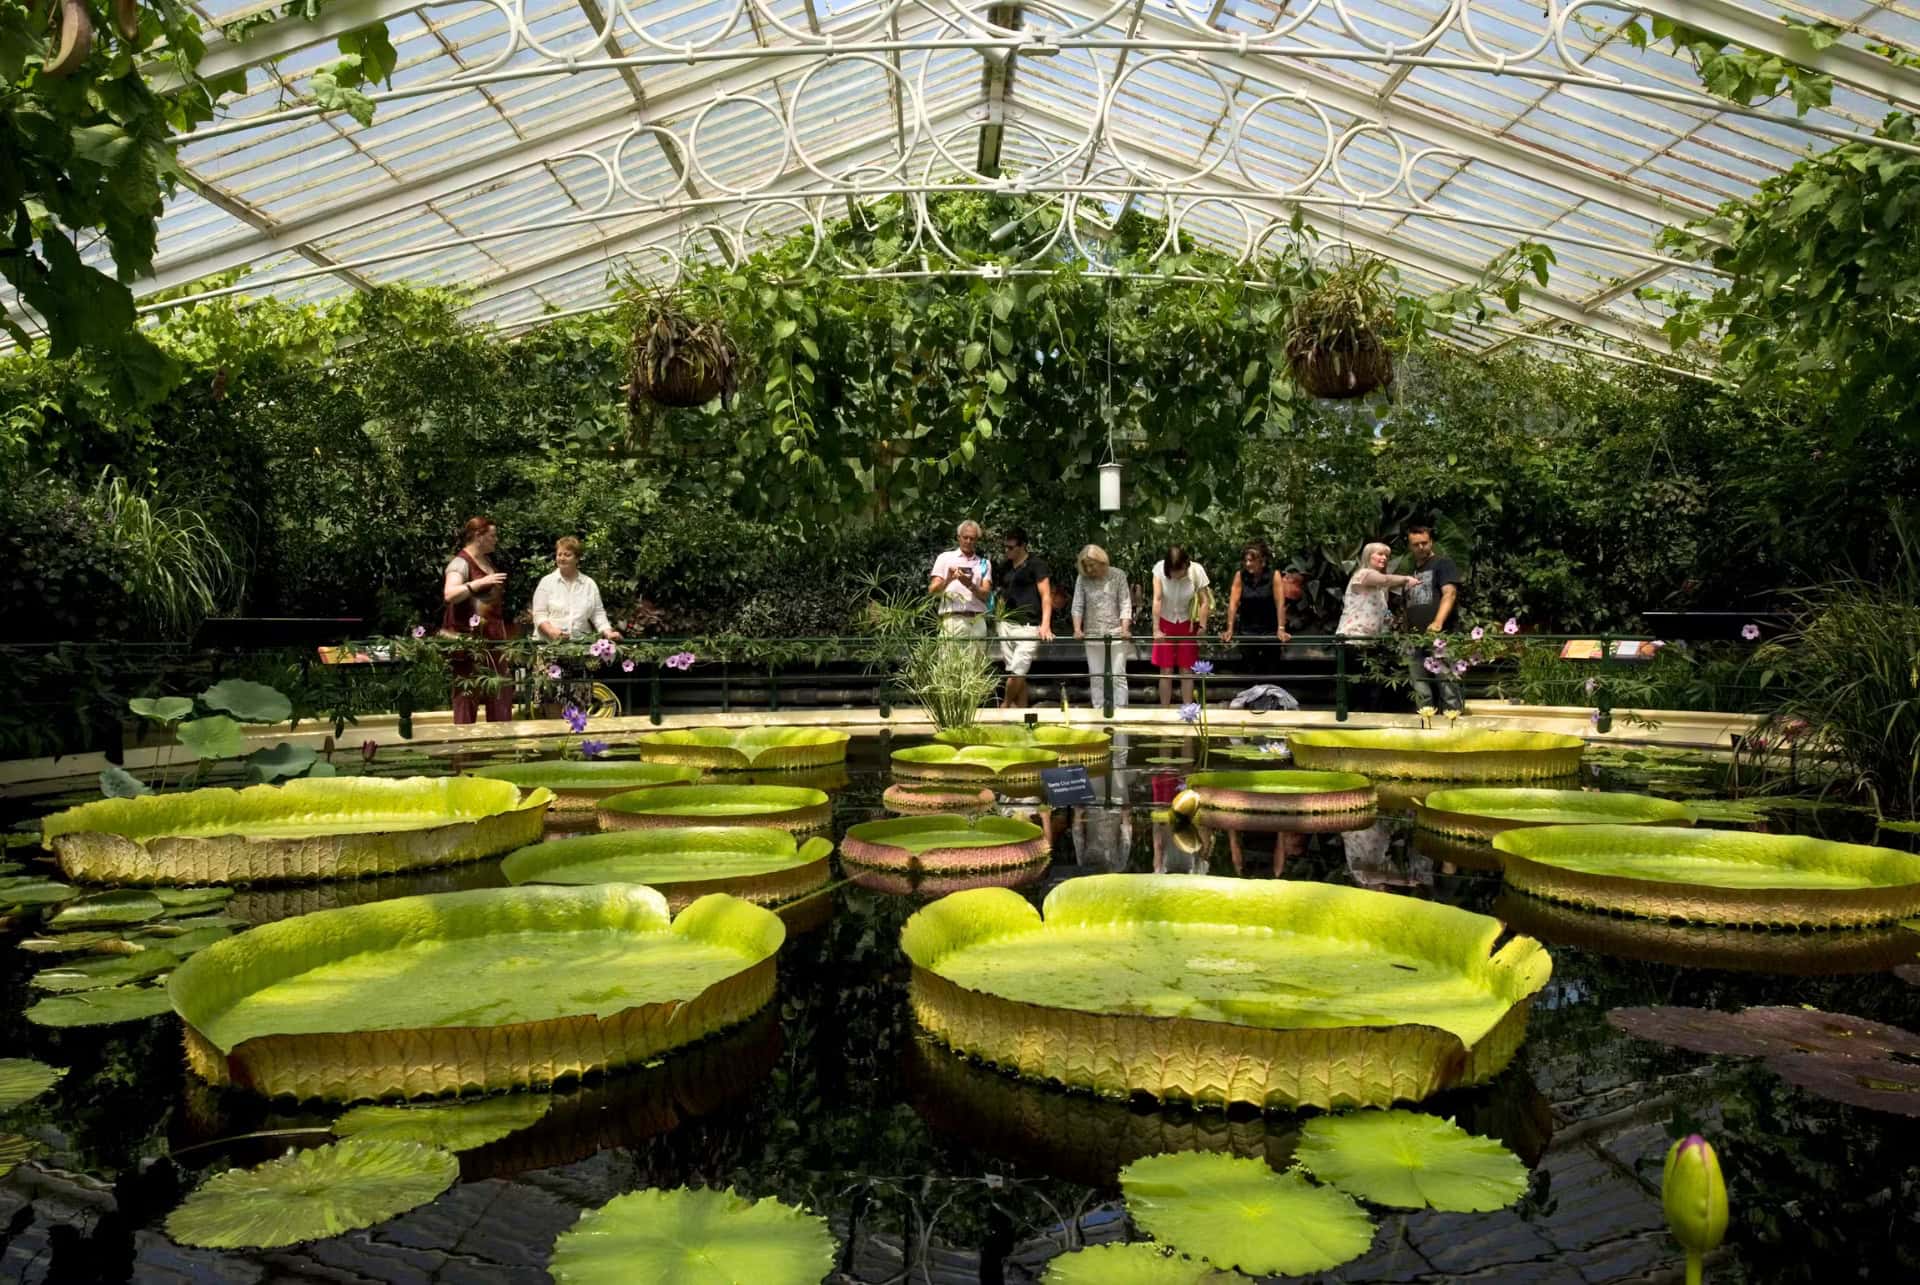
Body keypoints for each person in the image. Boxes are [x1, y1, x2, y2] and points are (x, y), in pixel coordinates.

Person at [441, 515, 514, 724]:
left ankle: (501, 746)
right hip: (469, 643)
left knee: (500, 692)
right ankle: (463, 750)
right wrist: (479, 583)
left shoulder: (487, 561)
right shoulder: (460, 563)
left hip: (494, 642)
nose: (496, 539)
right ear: (478, 536)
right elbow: (450, 594)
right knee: (467, 694)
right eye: (492, 535)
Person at [1403, 524, 1465, 714]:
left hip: (1440, 634)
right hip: (1414, 636)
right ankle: (1426, 722)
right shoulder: (1411, 571)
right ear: (1410, 546)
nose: (1421, 547)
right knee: (1420, 685)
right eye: (1416, 544)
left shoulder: (1442, 563)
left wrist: (1438, 622)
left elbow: (1450, 594)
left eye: (1424, 543)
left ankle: (1454, 722)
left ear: (1431, 542)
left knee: (1447, 682)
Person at [993, 526, 1053, 708]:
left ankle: (1005, 706)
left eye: (1011, 548)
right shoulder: (1005, 567)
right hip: (1006, 623)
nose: (1007, 551)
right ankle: (1021, 714)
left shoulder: (1037, 565)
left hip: (1029, 625)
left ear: (1023, 546)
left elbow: (1046, 595)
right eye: (1005, 547)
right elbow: (1001, 594)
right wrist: (998, 617)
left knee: (1018, 670)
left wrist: (1045, 625)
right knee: (1014, 670)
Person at [1070, 544, 1131, 710]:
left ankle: (1121, 710)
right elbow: (1078, 604)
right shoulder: (1082, 579)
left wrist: (1125, 628)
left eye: (1092, 565)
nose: (1089, 569)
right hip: (1092, 634)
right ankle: (1098, 709)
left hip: (1116, 634)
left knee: (1118, 675)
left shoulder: (1118, 575)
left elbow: (1125, 603)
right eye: (1086, 566)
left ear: (1102, 561)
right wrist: (1077, 628)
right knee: (1096, 676)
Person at [1150, 545, 1210, 706]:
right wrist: (1156, 629)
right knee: (1166, 670)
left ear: (1186, 565)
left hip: (1187, 623)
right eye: (1173, 572)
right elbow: (1157, 599)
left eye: (1180, 571)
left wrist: (1202, 626)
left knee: (1186, 669)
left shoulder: (1196, 571)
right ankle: (1164, 710)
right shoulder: (1158, 570)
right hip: (1165, 621)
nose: (1176, 576)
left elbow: (1205, 601)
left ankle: (1188, 709)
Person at [531, 537, 622, 643]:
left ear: (577, 558)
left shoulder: (589, 584)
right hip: (548, 646)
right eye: (559, 554)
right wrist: (551, 631)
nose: (562, 558)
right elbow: (539, 614)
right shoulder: (546, 582)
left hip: (580, 646)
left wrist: (608, 633)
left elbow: (598, 614)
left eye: (567, 555)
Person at [1222, 540, 1289, 677]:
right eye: (1246, 561)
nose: (1247, 564)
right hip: (1247, 630)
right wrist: (1230, 628)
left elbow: (1280, 603)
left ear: (1262, 560)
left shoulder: (1274, 575)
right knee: (1250, 669)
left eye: (1252, 560)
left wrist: (1281, 629)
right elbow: (1233, 604)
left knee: (1271, 670)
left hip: (1269, 629)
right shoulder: (1240, 576)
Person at [1336, 542, 1420, 638]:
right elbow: (1385, 579)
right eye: (1380, 554)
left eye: (1386, 556)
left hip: (1369, 638)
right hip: (1352, 635)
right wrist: (1406, 579)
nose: (1384, 558)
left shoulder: (1379, 589)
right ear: (1368, 556)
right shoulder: (1363, 574)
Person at [928, 519, 992, 639]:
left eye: (972, 538)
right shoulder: (945, 558)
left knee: (977, 658)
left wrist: (969, 584)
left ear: (977, 540)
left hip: (977, 621)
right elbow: (932, 590)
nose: (968, 541)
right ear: (958, 537)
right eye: (965, 537)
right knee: (949, 658)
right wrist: (949, 579)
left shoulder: (984, 563)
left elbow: (986, 595)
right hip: (952, 620)